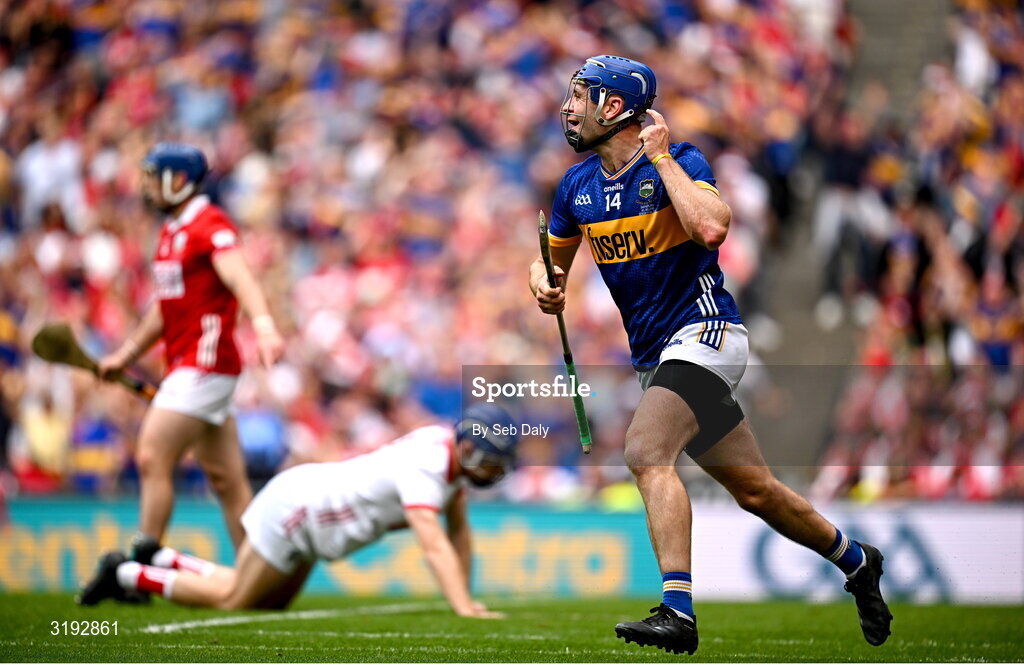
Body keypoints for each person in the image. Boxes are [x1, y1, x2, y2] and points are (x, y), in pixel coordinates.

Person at [529, 55, 892, 655]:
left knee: (646, 451)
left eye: (579, 96)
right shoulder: (576, 187)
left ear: (613, 107)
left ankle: (678, 610)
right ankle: (857, 561)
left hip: (707, 333)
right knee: (757, 491)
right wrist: (544, 284)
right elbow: (550, 262)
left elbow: (712, 228)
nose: (567, 107)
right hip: (655, 356)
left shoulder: (683, 160)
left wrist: (662, 159)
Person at [77, 404, 515, 618]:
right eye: (493, 460)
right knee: (234, 600)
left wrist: (467, 597)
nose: (496, 469)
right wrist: (462, 606)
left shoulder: (446, 459)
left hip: (310, 516)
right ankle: (125, 574)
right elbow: (435, 545)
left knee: (266, 606)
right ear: (470, 450)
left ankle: (160, 557)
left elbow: (459, 533)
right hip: (299, 510)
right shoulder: (428, 467)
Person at [97, 143, 285, 562]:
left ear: (179, 181)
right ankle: (258, 571)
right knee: (228, 483)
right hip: (190, 365)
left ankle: (140, 568)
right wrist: (125, 356)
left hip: (206, 364)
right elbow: (165, 308)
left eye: (154, 178)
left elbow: (241, 277)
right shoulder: (171, 232)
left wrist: (264, 325)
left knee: (152, 456)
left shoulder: (209, 223)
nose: (146, 187)